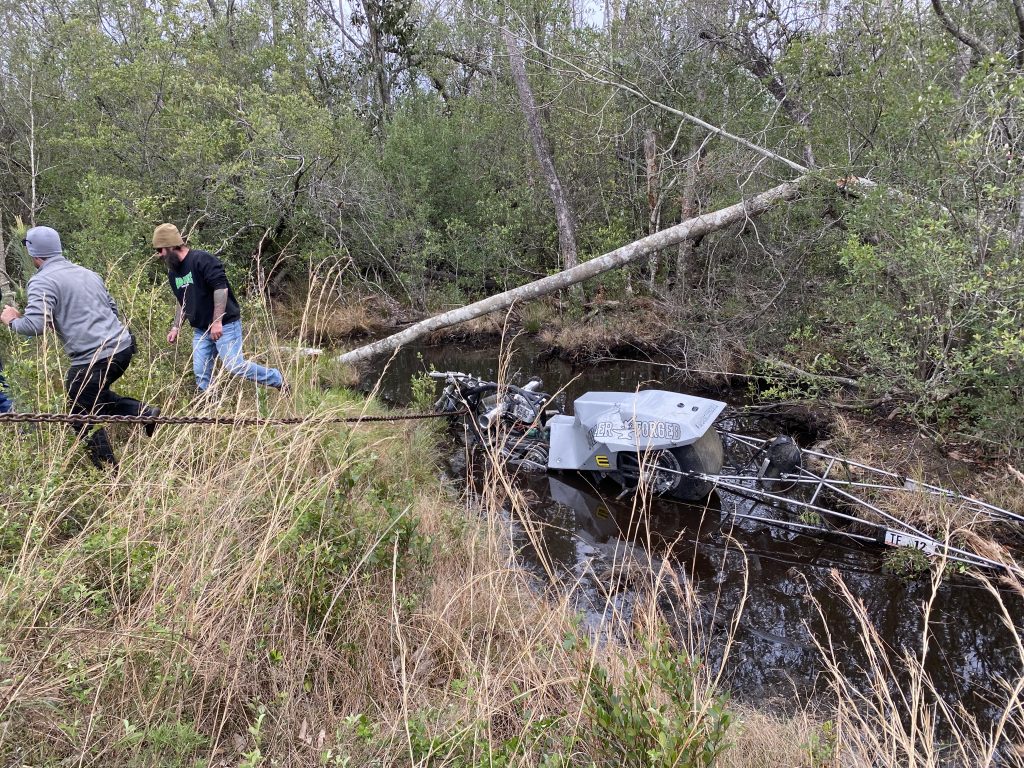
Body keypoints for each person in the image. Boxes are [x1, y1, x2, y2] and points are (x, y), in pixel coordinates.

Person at [0, 226, 159, 468]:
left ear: (33, 254)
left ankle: (107, 472)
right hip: (123, 347)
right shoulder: (87, 273)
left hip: (94, 358)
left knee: (80, 414)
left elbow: (34, 326)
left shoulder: (42, 280)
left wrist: (11, 320)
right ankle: (142, 412)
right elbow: (111, 310)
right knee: (91, 398)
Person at [152, 223, 286, 393]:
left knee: (234, 365)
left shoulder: (201, 260)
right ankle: (209, 409)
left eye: (160, 250)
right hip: (201, 330)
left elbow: (220, 288)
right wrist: (176, 326)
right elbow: (182, 300)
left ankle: (276, 379)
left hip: (225, 325)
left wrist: (217, 322)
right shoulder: (174, 272)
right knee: (201, 372)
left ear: (170, 246)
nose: (159, 255)